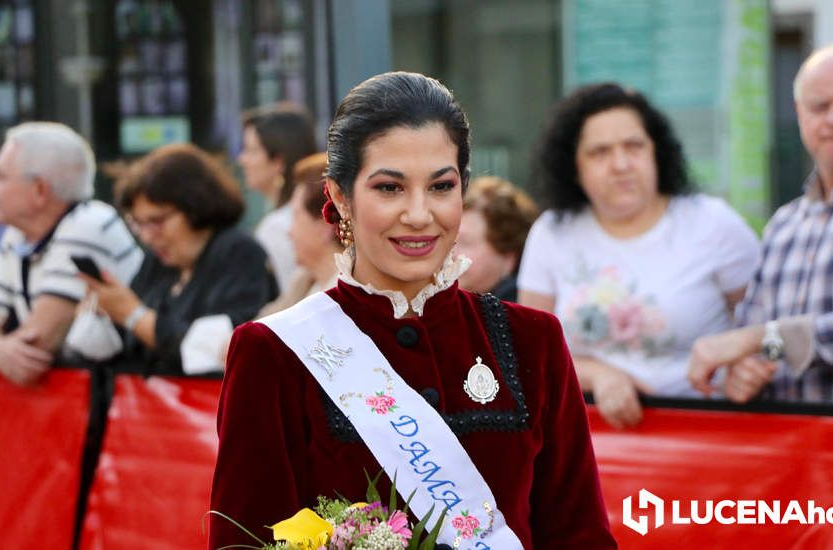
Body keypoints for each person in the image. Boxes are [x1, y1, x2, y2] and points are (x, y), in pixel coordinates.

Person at [210, 72, 615, 549]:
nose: (420, 214)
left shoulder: (533, 340)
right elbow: (244, 539)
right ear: (340, 197)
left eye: (441, 187)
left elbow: (579, 534)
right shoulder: (275, 353)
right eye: (389, 188)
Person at [518, 83, 760, 429]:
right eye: (600, 152)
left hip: (707, 434)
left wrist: (749, 367)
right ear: (573, 167)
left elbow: (765, 327)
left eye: (633, 146)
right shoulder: (553, 232)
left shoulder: (712, 223)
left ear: (656, 152)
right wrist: (599, 376)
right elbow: (530, 355)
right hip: (585, 437)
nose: (620, 164)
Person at [689, 43, 833, 406]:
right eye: (819, 106)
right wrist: (742, 374)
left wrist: (757, 341)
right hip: (789, 453)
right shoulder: (784, 225)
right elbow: (750, 341)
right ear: (799, 114)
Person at [81, 143, 277, 375]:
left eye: (157, 221)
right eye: (139, 224)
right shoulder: (157, 262)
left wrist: (134, 315)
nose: (147, 235)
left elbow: (221, 347)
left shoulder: (239, 252)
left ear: (195, 207)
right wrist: (104, 312)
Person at [0, 122, 142, 385]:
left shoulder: (88, 224)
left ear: (40, 190)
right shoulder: (15, 235)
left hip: (116, 407)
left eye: (1, 177)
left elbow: (33, 352)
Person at [238, 103, 318, 291]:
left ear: (278, 161)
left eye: (251, 150)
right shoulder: (293, 219)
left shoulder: (278, 227)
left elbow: (290, 300)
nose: (242, 159)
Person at [258, 152, 342, 316]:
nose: (290, 232)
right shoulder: (303, 280)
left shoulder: (345, 298)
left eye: (295, 216)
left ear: (324, 225)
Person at [455, 176, 539, 301]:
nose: (450, 254)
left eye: (465, 242)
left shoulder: (515, 314)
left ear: (508, 258)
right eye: (449, 241)